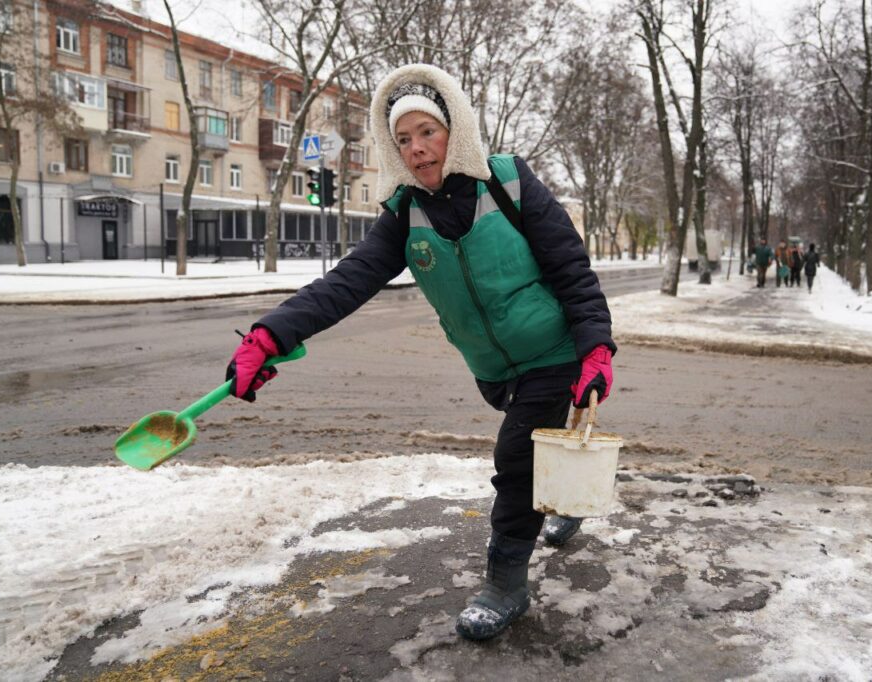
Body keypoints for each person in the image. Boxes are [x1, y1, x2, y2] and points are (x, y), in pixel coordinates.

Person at [224, 64, 615, 642]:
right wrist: (270, 335)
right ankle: (564, 497)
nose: (417, 149)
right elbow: (345, 283)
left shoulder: (508, 183)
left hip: (551, 351)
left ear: (453, 128)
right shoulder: (405, 214)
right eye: (402, 139)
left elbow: (571, 269)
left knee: (516, 458)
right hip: (492, 368)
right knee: (536, 451)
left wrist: (595, 349)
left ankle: (505, 584)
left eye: (427, 132)